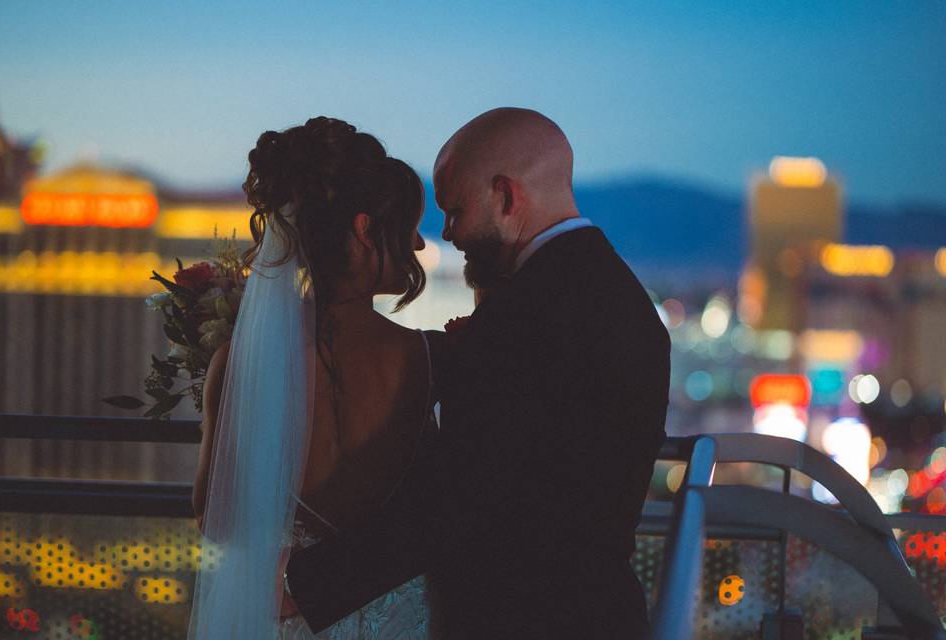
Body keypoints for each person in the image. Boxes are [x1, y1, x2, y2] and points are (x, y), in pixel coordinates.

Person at [285, 107, 671, 638]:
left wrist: (306, 585)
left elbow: (467, 491)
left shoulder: (532, 311)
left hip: (522, 620)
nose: (446, 233)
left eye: (454, 210)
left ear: (507, 197)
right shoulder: (608, 290)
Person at [188, 117, 439, 639]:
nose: (417, 244)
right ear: (365, 229)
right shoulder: (424, 358)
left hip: (281, 617)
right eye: (409, 225)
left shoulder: (236, 363)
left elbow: (216, 519)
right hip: (395, 616)